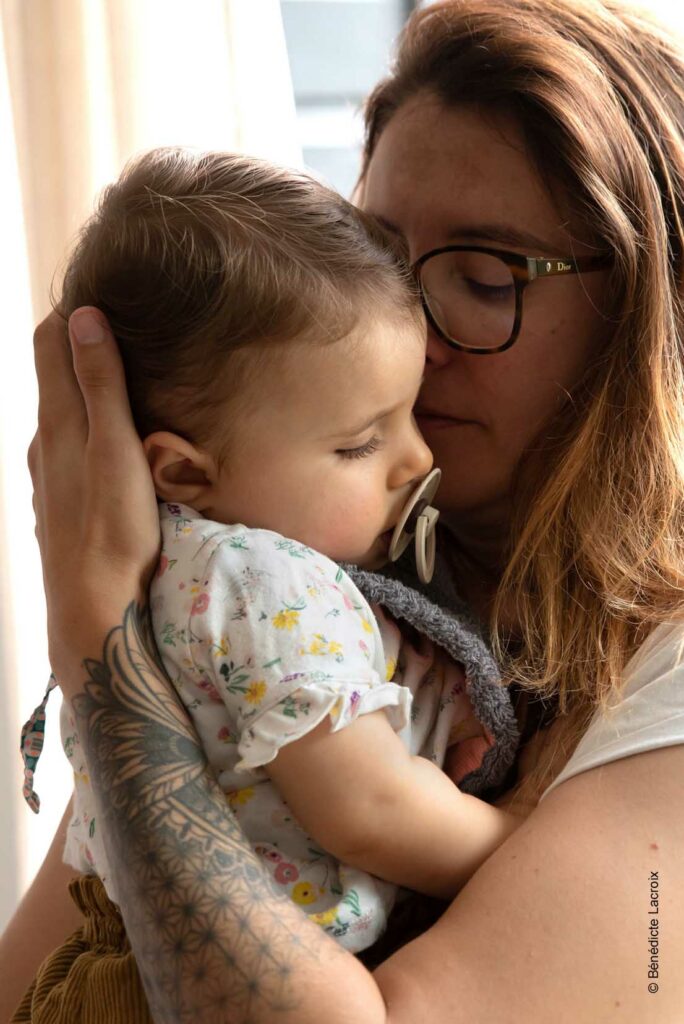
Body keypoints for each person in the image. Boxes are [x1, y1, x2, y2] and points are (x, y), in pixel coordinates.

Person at [3, 0, 684, 1020]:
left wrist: (96, 642)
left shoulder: (666, 670)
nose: (407, 328)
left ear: (642, 319)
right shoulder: (306, 582)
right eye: (376, 254)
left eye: (486, 277)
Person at [21, 146, 519, 960]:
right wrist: (525, 840)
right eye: (361, 444)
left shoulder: (158, 570)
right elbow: (370, 809)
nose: (418, 461)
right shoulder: (265, 581)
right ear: (185, 471)